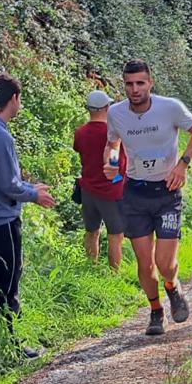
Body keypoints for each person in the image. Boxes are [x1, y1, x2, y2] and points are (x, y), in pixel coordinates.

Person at [104, 60, 192, 336]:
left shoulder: (170, 107)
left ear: (150, 83)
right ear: (124, 85)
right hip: (135, 193)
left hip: (167, 193)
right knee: (144, 263)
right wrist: (111, 163)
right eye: (129, 84)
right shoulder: (116, 113)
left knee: (165, 263)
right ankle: (156, 311)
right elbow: (112, 143)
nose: (135, 89)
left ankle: (172, 286)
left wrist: (183, 164)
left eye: (140, 83)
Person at [0, 74, 56, 359]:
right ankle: (11, 347)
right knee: (7, 285)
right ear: (13, 99)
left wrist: (29, 187)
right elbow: (8, 184)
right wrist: (35, 194)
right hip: (2, 222)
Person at [73, 89, 127, 271]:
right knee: (116, 235)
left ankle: (91, 269)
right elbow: (117, 159)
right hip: (112, 191)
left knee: (91, 232)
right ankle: (114, 275)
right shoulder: (115, 133)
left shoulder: (80, 132)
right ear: (106, 108)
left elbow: (80, 151)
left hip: (88, 190)